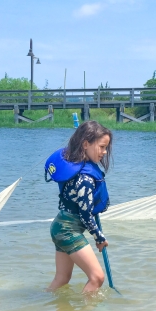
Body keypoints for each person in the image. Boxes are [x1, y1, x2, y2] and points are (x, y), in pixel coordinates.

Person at [44, 121, 113, 292]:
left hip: (60, 226)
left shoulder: (80, 168)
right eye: (102, 147)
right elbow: (85, 215)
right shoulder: (85, 178)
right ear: (85, 144)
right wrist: (99, 237)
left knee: (62, 279)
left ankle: (44, 306)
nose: (104, 152)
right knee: (97, 278)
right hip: (68, 230)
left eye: (106, 148)